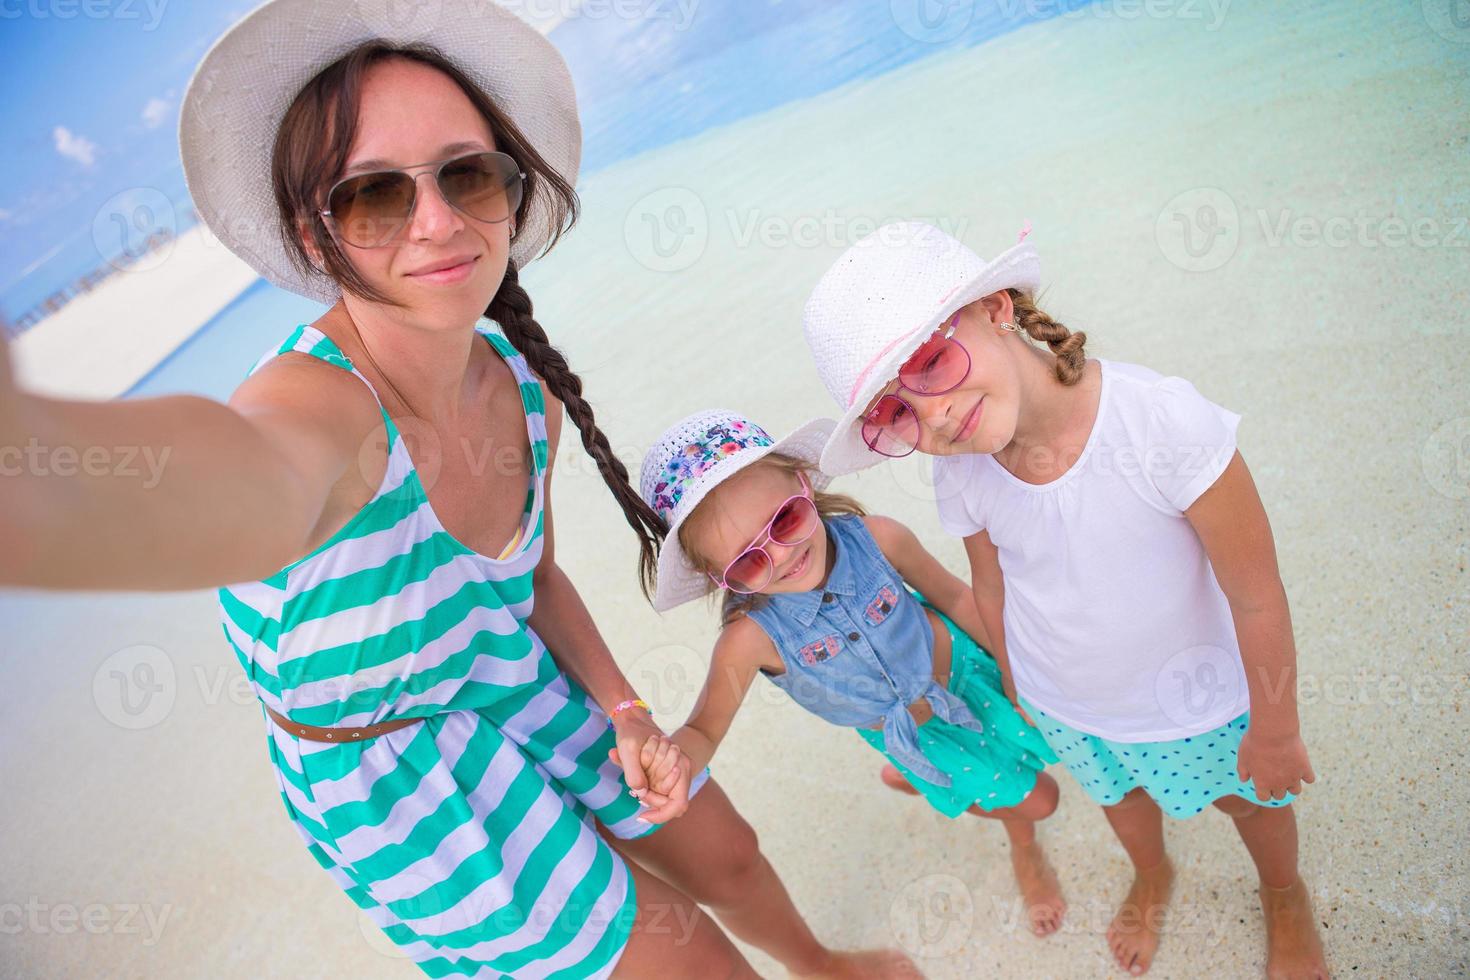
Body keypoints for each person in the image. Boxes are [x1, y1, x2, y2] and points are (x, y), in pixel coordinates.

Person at [0, 3, 916, 976]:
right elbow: (204, 478)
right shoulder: (321, 415)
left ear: (509, 194)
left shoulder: (524, 391)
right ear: (317, 240)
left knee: (725, 849)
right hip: (403, 777)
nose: (437, 220)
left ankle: (825, 967)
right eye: (374, 196)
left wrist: (626, 709)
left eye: (466, 174)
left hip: (507, 676)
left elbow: (536, 581)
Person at [799, 222, 1331, 979]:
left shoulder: (1161, 423)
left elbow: (1257, 595)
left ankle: (1284, 892)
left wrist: (1276, 730)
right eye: (897, 416)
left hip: (1205, 700)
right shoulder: (963, 472)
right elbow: (993, 584)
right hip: (1070, 704)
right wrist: (1020, 682)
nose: (937, 415)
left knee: (1251, 803)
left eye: (932, 363)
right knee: (1124, 802)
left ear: (998, 308)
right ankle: (1154, 874)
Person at [631, 409, 1067, 937]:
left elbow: (955, 596)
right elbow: (703, 730)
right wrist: (674, 763)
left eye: (786, 520)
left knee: (1045, 753)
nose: (784, 554)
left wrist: (1017, 666)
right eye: (749, 561)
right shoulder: (749, 641)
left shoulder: (879, 538)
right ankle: (1021, 845)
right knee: (1040, 800)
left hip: (972, 675)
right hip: (915, 736)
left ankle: (917, 783)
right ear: (718, 576)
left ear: (802, 483)